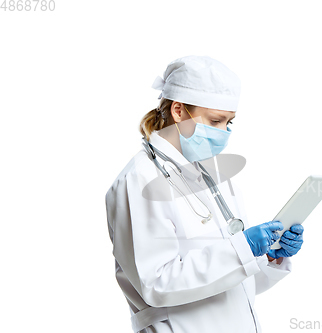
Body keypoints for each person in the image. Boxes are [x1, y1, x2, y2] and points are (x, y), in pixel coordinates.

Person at [105, 55, 304, 333]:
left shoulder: (211, 176)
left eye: (229, 123)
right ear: (178, 111)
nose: (224, 132)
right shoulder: (139, 179)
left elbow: (233, 285)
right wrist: (243, 250)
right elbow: (155, 285)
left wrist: (268, 257)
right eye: (215, 120)